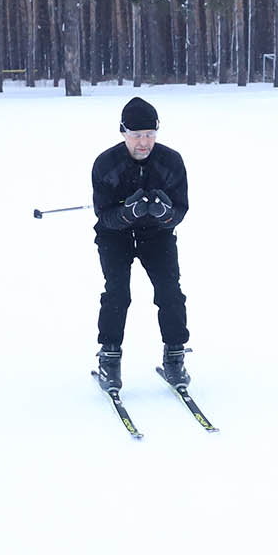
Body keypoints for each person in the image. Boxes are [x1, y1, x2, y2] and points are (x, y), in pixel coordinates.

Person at [92, 97, 191, 389]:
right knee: (117, 293)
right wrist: (126, 214)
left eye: (149, 134)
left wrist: (165, 215)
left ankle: (175, 357)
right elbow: (103, 214)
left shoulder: (170, 161)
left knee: (170, 291)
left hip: (157, 235)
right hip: (115, 235)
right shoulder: (105, 164)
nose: (143, 142)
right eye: (136, 135)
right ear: (123, 132)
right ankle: (109, 358)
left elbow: (181, 209)